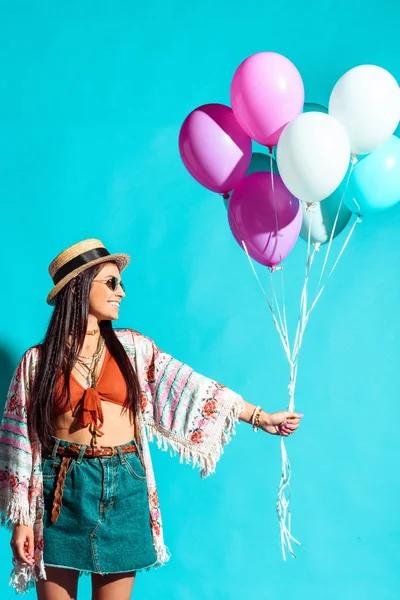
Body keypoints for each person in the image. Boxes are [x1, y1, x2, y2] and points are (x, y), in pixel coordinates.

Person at [0, 238, 303, 600]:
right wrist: (21, 520)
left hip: (123, 485)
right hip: (60, 492)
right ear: (79, 288)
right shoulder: (37, 362)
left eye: (121, 284)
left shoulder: (134, 348)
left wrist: (259, 416)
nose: (121, 292)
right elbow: (18, 438)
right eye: (111, 282)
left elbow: (193, 387)